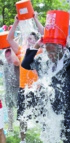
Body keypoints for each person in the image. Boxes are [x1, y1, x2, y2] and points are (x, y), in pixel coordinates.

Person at [21, 37, 70, 143]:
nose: (50, 55)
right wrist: (37, 45)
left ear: (61, 49)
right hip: (51, 108)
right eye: (48, 53)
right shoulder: (43, 62)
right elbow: (25, 64)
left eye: (52, 52)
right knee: (51, 138)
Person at [7, 15, 43, 143]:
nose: (29, 40)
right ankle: (23, 140)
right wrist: (16, 22)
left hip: (37, 88)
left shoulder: (40, 51)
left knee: (41, 115)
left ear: (37, 41)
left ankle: (44, 137)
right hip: (24, 88)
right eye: (28, 38)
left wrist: (36, 19)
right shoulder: (21, 50)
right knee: (23, 117)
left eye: (32, 38)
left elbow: (45, 35)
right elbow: (9, 39)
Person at [0, 48, 20, 132]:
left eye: (9, 55)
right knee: (9, 108)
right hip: (7, 89)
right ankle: (10, 126)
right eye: (6, 55)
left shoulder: (16, 62)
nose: (8, 57)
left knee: (19, 108)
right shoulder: (4, 62)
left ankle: (21, 125)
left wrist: (12, 50)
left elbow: (16, 61)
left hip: (16, 88)